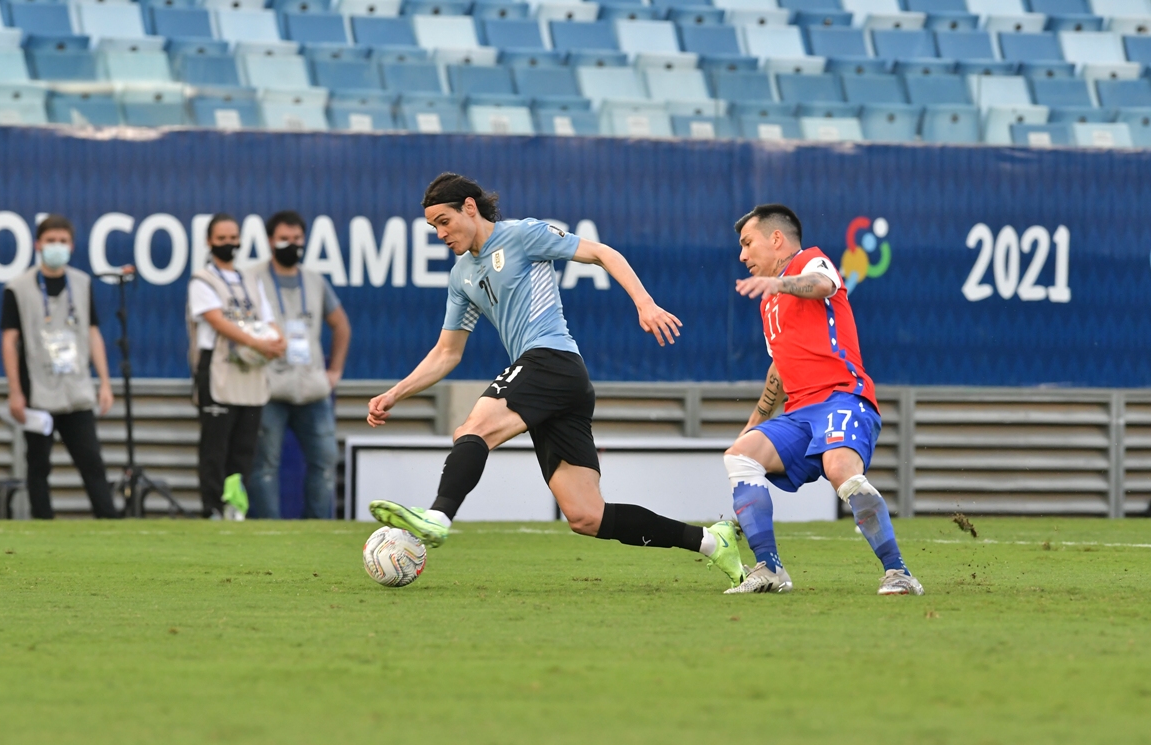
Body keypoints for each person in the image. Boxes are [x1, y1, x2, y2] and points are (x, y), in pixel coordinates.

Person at [366, 173, 745, 587]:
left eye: (444, 221)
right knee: (586, 515)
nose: (440, 233)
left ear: (469, 208)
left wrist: (646, 304)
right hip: (554, 384)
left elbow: (602, 253)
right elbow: (447, 353)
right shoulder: (461, 277)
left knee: (472, 429)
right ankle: (711, 541)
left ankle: (438, 516)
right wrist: (396, 392)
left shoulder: (523, 235)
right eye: (432, 226)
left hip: (552, 360)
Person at [722, 204, 923, 596]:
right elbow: (779, 370)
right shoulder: (768, 304)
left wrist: (780, 283)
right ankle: (770, 570)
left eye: (748, 243)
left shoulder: (810, 260)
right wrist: (754, 424)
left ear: (776, 238)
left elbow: (821, 284)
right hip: (799, 412)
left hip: (843, 398)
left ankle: (898, 573)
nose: (742, 255)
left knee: (839, 467)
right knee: (740, 455)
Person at [1, 215, 119, 519]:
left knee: (91, 460)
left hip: (75, 387)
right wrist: (15, 391)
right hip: (36, 389)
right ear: (38, 244)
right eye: (51, 241)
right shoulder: (18, 287)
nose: (57, 247)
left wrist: (104, 382)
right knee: (38, 464)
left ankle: (109, 522)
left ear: (72, 245)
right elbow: (10, 341)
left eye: (63, 241)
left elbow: (93, 332)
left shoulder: (81, 282)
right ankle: (44, 524)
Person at [247, 211, 350, 519]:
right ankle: (267, 531)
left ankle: (318, 526)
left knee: (325, 461)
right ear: (269, 241)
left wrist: (335, 372)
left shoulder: (314, 280)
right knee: (263, 465)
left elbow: (341, 325)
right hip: (269, 388)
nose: (291, 245)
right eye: (284, 239)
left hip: (312, 388)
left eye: (296, 240)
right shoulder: (252, 278)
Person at [187, 213, 285, 520]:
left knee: (244, 447)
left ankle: (235, 505)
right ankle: (212, 507)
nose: (229, 244)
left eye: (233, 238)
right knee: (215, 447)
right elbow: (217, 321)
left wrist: (277, 342)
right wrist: (258, 344)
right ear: (209, 242)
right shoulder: (202, 280)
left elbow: (269, 321)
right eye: (222, 239)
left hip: (251, 372)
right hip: (218, 369)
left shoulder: (250, 280)